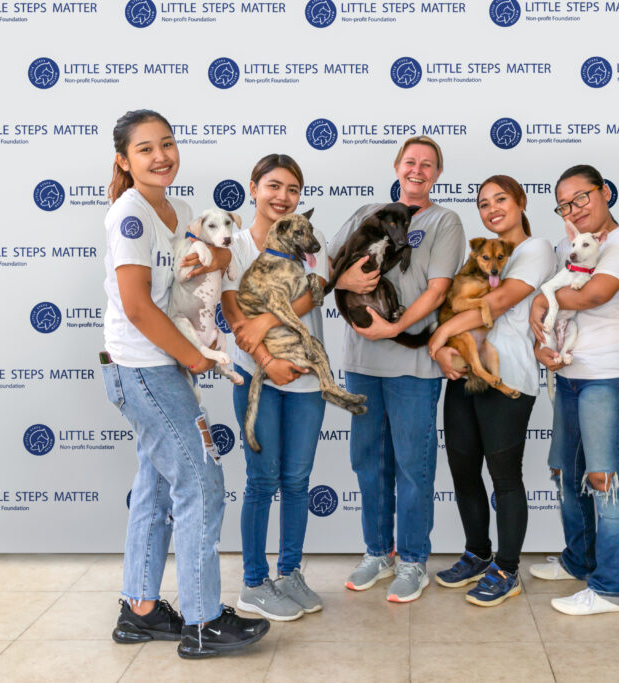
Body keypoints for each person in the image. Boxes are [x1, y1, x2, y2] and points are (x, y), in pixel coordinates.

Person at [100, 109, 268, 659]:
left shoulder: (180, 210)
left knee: (154, 486)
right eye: (145, 149)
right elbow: (137, 305)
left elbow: (220, 258)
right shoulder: (130, 214)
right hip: (146, 369)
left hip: (161, 366)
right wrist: (195, 357)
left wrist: (217, 254)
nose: (161, 155)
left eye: (167, 143)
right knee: (201, 482)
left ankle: (141, 610)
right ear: (125, 160)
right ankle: (202, 622)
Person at [330, 136, 465, 603]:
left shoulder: (445, 221)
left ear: (437, 174)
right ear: (396, 166)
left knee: (413, 466)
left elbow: (438, 290)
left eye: (428, 165)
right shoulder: (367, 211)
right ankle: (377, 553)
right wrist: (343, 278)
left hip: (413, 362)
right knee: (368, 462)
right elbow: (328, 262)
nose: (418, 170)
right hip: (362, 363)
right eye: (411, 162)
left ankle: (412, 560)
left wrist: (395, 329)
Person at [428, 176, 555, 607]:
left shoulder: (533, 250)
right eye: (484, 203)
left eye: (501, 199)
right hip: (466, 372)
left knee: (504, 479)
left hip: (510, 378)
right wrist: (446, 349)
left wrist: (439, 336)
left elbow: (496, 306)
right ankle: (477, 553)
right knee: (464, 472)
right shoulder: (480, 257)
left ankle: (507, 567)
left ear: (521, 201)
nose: (492, 208)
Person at [526, 165, 619, 617]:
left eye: (582, 197)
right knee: (563, 473)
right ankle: (579, 561)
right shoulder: (563, 246)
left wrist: (544, 297)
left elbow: (597, 293)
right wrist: (542, 345)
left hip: (607, 376)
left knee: (605, 480)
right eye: (565, 204)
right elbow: (549, 311)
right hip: (567, 373)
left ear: (605, 192)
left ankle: (611, 588)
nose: (575, 209)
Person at [220, 154, 328, 622]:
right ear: (253, 188)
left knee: (298, 481)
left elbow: (316, 291)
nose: (283, 197)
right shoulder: (236, 246)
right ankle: (252, 584)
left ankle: (289, 574)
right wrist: (268, 362)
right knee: (262, 481)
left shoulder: (307, 241)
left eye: (292, 189)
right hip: (257, 377)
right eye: (274, 186)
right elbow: (234, 317)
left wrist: (270, 318)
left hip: (305, 378)